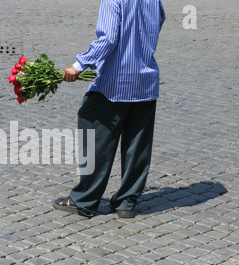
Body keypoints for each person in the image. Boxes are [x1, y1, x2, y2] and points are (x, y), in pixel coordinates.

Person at [53, 0, 166, 219]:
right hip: (145, 78)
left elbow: (109, 38)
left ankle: (85, 199)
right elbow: (158, 22)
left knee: (92, 131)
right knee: (138, 143)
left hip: (114, 80)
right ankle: (127, 201)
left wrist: (79, 65)